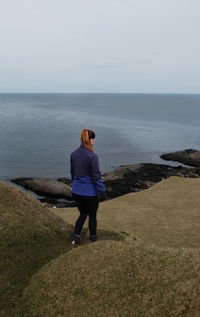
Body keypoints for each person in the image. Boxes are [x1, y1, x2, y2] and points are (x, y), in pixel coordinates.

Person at [70, 129, 106, 245]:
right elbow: (96, 177)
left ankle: (76, 238)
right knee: (92, 215)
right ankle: (93, 238)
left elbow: (72, 173)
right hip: (89, 193)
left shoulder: (74, 154)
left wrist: (75, 185)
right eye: (94, 139)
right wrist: (103, 192)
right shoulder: (92, 156)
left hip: (76, 191)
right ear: (91, 140)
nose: (94, 141)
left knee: (82, 214)